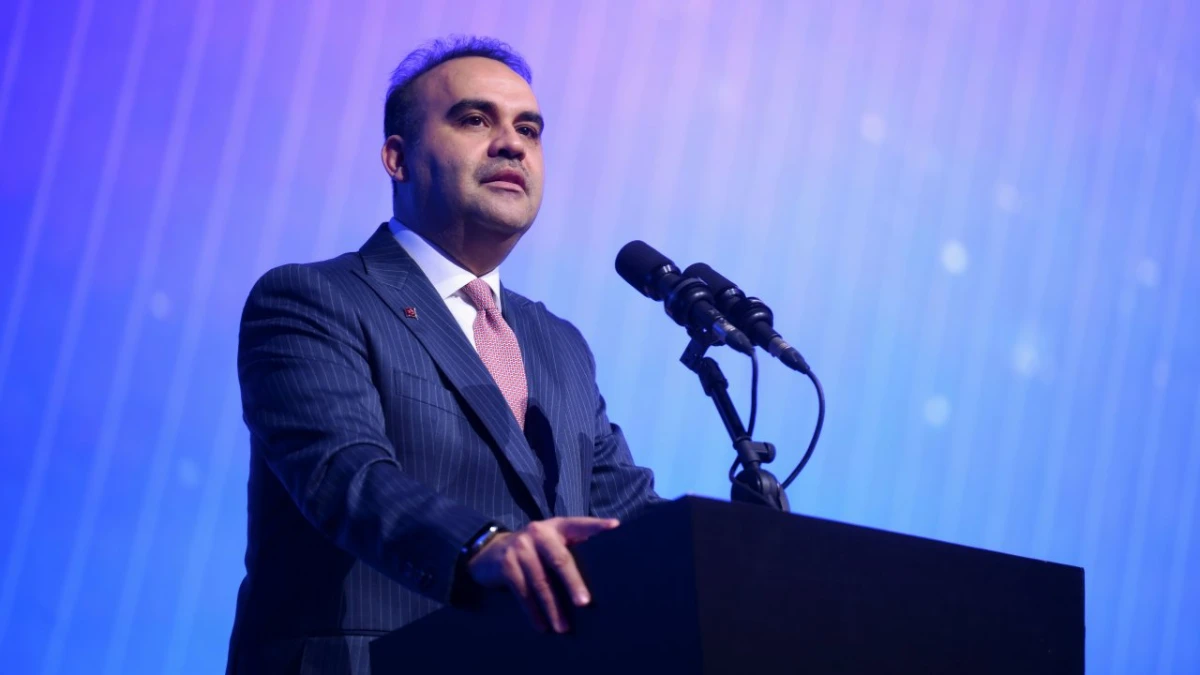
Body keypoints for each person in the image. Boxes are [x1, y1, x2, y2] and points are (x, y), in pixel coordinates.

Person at [224, 35, 663, 674]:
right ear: (397, 158)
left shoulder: (559, 343)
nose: (512, 144)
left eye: (529, 129)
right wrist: (481, 545)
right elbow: (343, 474)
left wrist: (747, 556)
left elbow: (625, 519)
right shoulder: (313, 299)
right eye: (475, 120)